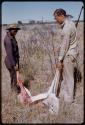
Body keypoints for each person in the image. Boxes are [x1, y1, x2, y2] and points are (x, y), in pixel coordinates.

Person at [53, 9, 78, 103]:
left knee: (69, 78)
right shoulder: (71, 23)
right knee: (66, 77)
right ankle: (64, 95)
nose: (56, 20)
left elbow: (65, 46)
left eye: (56, 18)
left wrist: (59, 60)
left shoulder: (67, 27)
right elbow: (67, 42)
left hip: (68, 55)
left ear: (62, 16)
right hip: (70, 53)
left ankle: (69, 100)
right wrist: (59, 47)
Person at [4, 24, 21, 93]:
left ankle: (14, 90)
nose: (16, 32)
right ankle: (15, 92)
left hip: (13, 60)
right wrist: (14, 65)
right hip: (10, 61)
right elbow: (10, 54)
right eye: (14, 30)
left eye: (17, 30)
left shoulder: (12, 36)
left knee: (14, 77)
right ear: (10, 30)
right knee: (14, 77)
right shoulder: (8, 40)